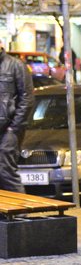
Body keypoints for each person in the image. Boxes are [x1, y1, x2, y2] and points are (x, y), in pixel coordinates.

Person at [0, 46, 34, 193]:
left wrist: (14, 128)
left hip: (9, 129)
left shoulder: (15, 65)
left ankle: (20, 213)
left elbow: (27, 99)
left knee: (5, 170)